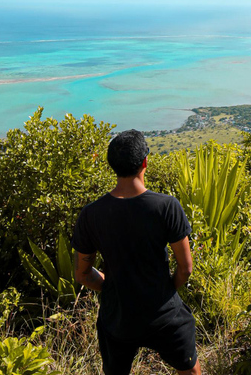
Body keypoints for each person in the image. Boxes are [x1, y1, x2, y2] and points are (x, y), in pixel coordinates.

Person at [72, 129, 202, 375]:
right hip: (164, 314)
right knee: (191, 371)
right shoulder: (166, 206)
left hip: (117, 318)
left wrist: (112, 288)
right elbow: (186, 269)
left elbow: (83, 274)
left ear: (112, 165)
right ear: (145, 162)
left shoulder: (91, 214)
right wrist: (165, 290)